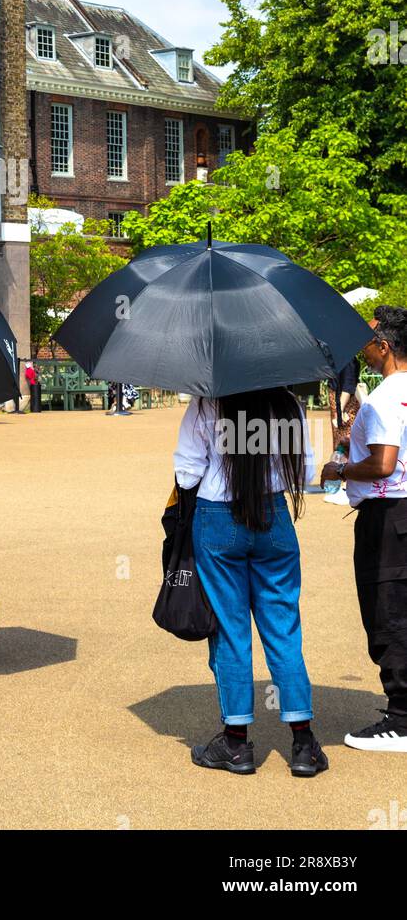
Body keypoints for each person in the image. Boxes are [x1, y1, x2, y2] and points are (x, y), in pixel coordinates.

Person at [173, 388, 327, 777]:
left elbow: (187, 472)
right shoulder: (288, 403)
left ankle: (237, 742)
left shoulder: (207, 403)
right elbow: (307, 474)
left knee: (230, 629)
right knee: (283, 629)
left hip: (218, 518)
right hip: (274, 515)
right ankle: (303, 743)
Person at [321, 306, 407, 751]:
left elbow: (383, 463)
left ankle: (401, 717)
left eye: (369, 342)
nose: (364, 350)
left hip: (389, 516)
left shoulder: (384, 397)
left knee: (387, 610)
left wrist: (340, 469)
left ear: (386, 346)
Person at [323, 357, 361, 506]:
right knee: (343, 447)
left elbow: (345, 388)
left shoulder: (344, 360)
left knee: (343, 446)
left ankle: (341, 489)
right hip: (343, 408)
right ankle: (339, 489)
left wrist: (339, 411)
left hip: (343, 407)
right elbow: (346, 387)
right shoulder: (346, 361)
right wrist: (339, 412)